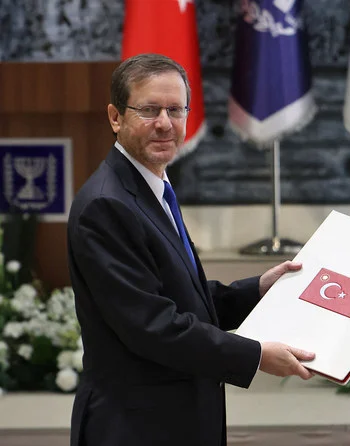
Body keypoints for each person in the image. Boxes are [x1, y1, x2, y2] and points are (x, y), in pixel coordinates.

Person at [67, 53, 315, 446]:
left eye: (175, 109)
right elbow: (154, 326)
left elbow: (182, 299)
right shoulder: (106, 204)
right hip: (136, 428)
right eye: (149, 110)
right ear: (116, 117)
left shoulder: (152, 188)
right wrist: (254, 356)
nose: (165, 123)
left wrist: (257, 290)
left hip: (176, 421)